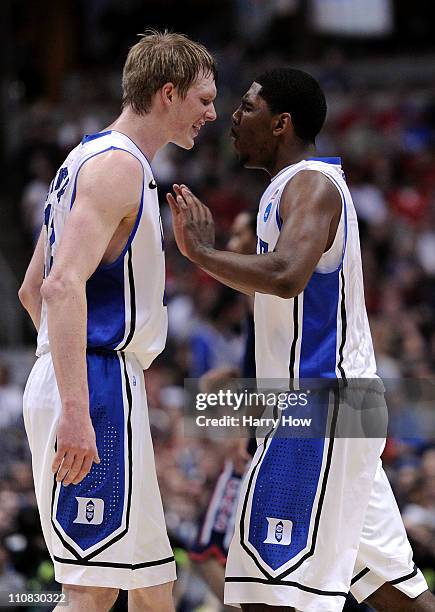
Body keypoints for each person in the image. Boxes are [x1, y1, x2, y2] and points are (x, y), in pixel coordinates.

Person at [167, 68, 435, 611]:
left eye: (246, 108)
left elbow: (287, 275)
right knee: (396, 593)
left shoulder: (310, 182)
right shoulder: (286, 190)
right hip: (332, 408)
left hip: (319, 407)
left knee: (271, 596)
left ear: (281, 122)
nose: (232, 118)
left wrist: (200, 254)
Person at [18, 30, 216, 612]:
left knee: (152, 585)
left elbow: (31, 288)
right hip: (96, 386)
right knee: (93, 585)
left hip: (90, 378)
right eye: (204, 99)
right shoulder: (118, 168)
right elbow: (58, 286)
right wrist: (78, 407)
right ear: (168, 92)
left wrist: (58, 372)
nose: (211, 113)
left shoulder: (84, 159)